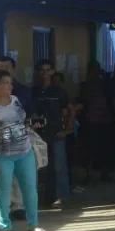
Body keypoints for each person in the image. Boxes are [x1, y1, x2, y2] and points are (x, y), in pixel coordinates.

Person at [0, 69, 47, 231]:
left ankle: (33, 225)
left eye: (11, 82)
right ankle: (5, 228)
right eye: (6, 83)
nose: (10, 86)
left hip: (24, 151)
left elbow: (21, 121)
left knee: (30, 190)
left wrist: (32, 122)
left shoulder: (15, 101)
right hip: (1, 155)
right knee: (2, 192)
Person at [32, 59, 73, 208]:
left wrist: (67, 129)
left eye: (48, 70)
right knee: (40, 167)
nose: (45, 73)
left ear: (52, 72)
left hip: (57, 133)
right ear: (37, 72)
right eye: (42, 70)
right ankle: (42, 197)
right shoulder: (34, 91)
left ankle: (61, 196)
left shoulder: (59, 90)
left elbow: (70, 109)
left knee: (59, 166)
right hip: (38, 135)